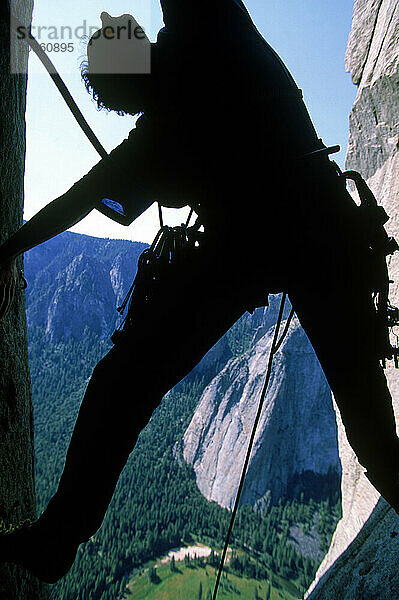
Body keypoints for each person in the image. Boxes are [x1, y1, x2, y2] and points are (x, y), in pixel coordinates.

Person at [0, 0, 398, 584]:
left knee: (123, 380)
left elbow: (77, 201)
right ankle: (55, 538)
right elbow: (80, 199)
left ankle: (57, 537)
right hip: (320, 234)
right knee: (374, 442)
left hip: (244, 253)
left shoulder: (176, 85)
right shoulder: (207, 26)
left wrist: (7, 251)